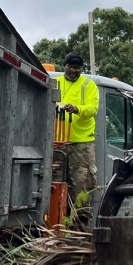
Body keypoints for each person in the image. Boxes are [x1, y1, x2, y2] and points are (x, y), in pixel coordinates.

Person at [56, 52, 99, 207]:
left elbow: (93, 109)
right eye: (71, 67)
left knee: (82, 184)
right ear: (64, 66)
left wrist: (77, 109)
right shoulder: (55, 83)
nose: (74, 70)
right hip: (58, 141)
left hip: (82, 143)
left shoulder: (89, 85)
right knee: (55, 182)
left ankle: (81, 219)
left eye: (77, 68)